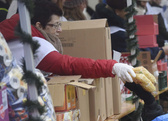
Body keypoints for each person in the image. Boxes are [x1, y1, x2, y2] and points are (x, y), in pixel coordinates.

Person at [0, 0, 136, 84]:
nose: (59, 30)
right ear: (39, 25)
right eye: (55, 25)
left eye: (60, 24)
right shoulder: (35, 44)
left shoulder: (19, 36)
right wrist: (111, 66)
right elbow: (68, 65)